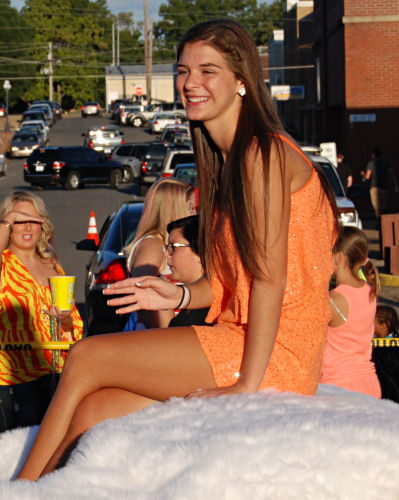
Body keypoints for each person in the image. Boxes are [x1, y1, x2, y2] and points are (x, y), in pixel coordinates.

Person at [17, 19, 337, 480]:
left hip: (272, 355)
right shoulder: (229, 163)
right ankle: (47, 489)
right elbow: (234, 281)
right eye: (183, 71)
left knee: (87, 356)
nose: (191, 83)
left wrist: (247, 384)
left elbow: (270, 279)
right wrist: (181, 296)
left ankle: (21, 489)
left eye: (208, 70)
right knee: (96, 408)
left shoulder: (261, 154)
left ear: (242, 80)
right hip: (246, 338)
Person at [0, 191, 83, 432]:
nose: (27, 227)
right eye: (19, 220)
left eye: (33, 220)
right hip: (13, 380)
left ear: (42, 225)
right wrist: (8, 217)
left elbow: (73, 327)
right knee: (13, 455)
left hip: (54, 376)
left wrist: (66, 319)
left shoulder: (53, 265)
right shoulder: (5, 264)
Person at [123, 178, 196, 329]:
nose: (194, 212)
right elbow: (141, 295)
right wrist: (163, 337)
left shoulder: (164, 243)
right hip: (156, 340)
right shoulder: (153, 245)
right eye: (190, 207)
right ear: (174, 209)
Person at [320, 227, 381, 398]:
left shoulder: (332, 300)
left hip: (338, 386)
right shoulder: (370, 291)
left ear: (339, 257)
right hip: (369, 383)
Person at [166, 215, 210, 328]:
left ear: (199, 251)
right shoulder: (189, 308)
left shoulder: (211, 314)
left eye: (173, 247)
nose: (167, 254)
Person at [361, 148, 399, 217]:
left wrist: (363, 174)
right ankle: (383, 221)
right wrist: (396, 185)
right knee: (384, 207)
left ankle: (379, 221)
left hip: (374, 187)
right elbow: (392, 175)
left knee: (376, 207)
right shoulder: (386, 163)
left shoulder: (371, 163)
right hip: (384, 187)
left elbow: (367, 177)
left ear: (373, 155)